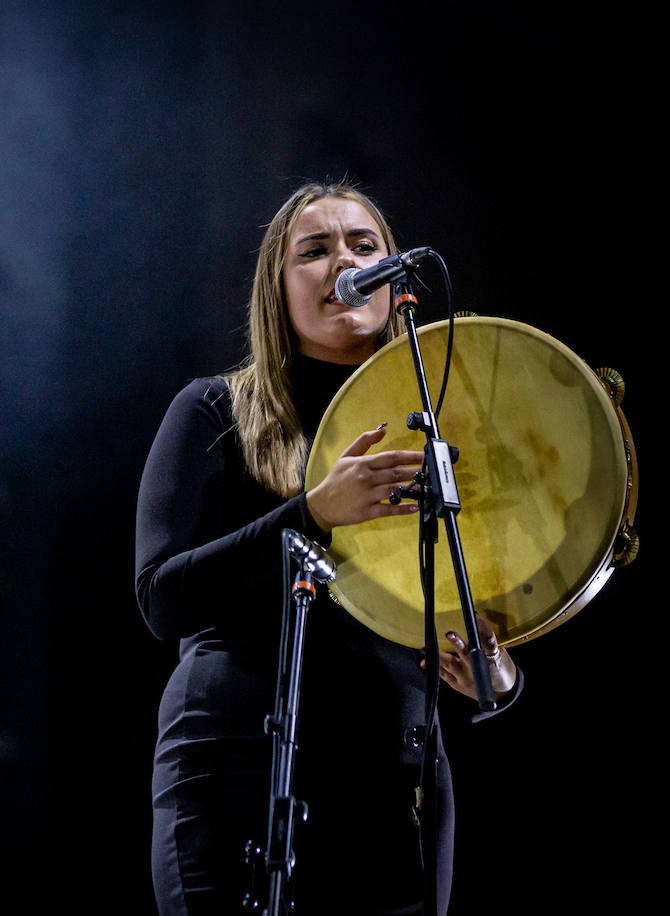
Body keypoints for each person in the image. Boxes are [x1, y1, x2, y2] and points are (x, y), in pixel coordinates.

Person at [135, 182, 520, 914]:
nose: (344, 260)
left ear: (395, 277)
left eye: (364, 246)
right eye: (314, 251)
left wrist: (496, 674)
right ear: (277, 291)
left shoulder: (438, 432)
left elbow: (483, 597)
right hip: (241, 773)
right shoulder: (215, 412)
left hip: (396, 792)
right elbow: (161, 598)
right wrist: (311, 513)